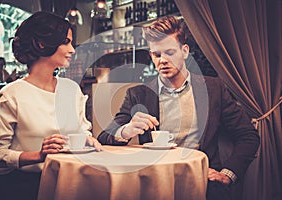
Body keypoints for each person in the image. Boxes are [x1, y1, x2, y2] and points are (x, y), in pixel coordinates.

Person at [97, 16, 260, 200]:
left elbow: (248, 136)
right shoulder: (138, 94)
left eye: (169, 52)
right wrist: (127, 130)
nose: (163, 60)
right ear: (151, 55)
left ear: (184, 51)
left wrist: (227, 174)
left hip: (203, 182)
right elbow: (103, 137)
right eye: (157, 55)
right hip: (153, 183)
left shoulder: (214, 89)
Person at [0, 11, 101, 200]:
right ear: (42, 44)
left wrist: (87, 140)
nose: (72, 50)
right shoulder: (11, 95)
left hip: (69, 183)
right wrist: (38, 155)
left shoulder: (71, 89)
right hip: (23, 189)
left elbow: (82, 131)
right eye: (66, 42)